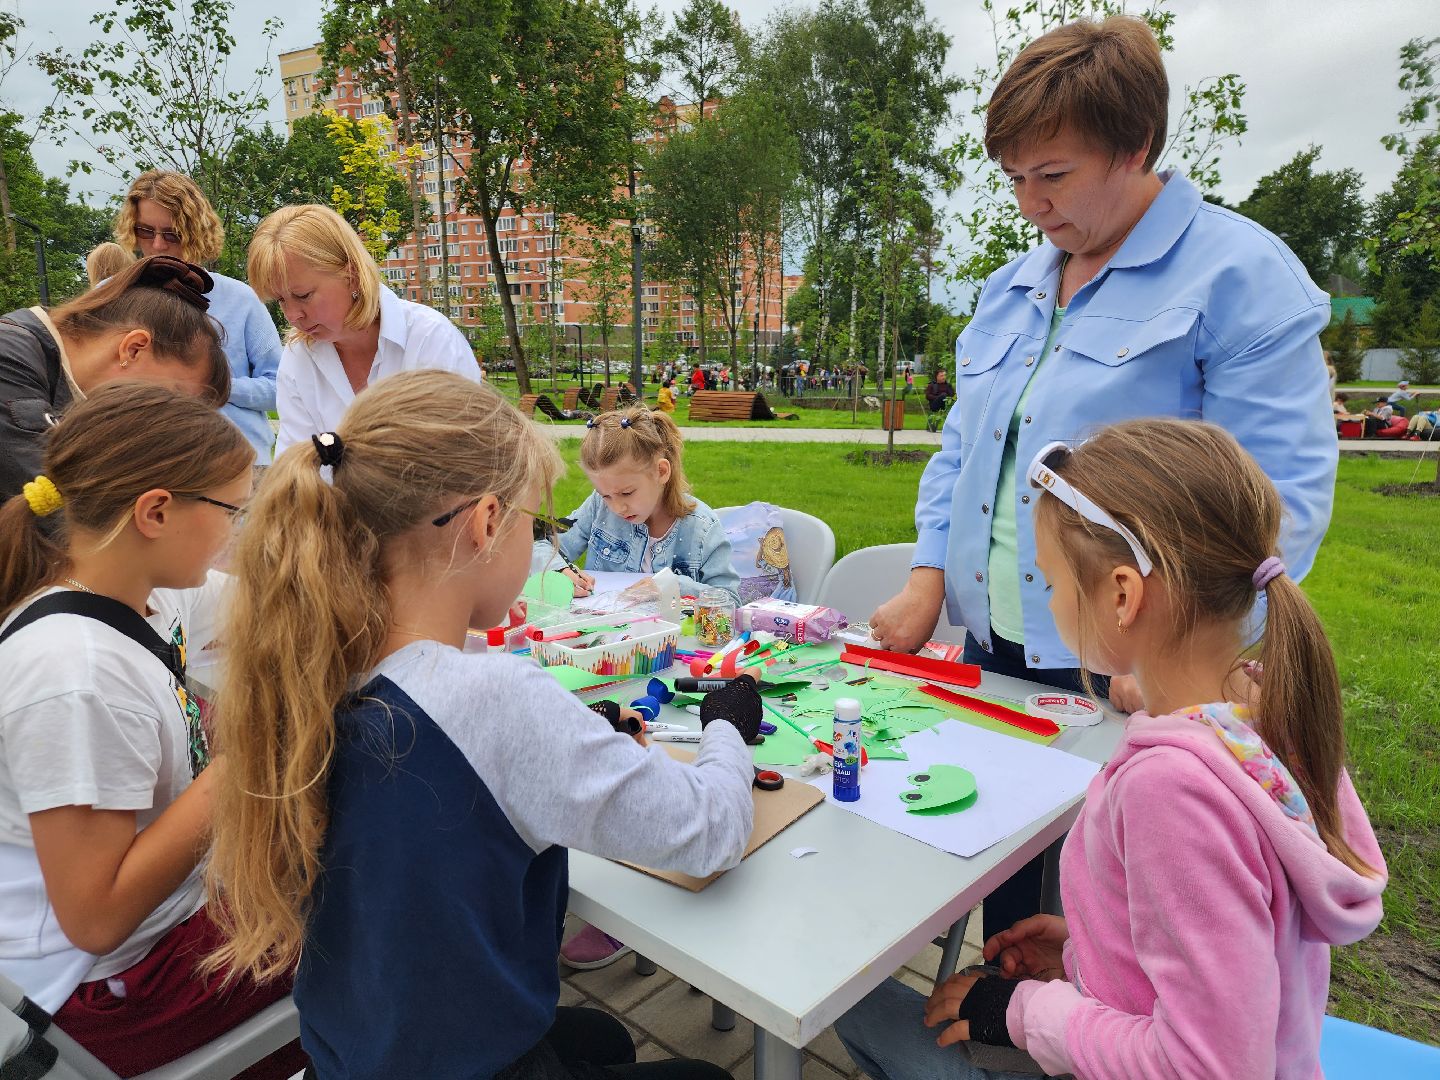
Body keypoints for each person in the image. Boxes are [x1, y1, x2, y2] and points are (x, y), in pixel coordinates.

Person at [866, 16, 1338, 945]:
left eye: (1054, 176)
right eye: (1013, 178)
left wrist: (1185, 659)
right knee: (991, 853)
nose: (1029, 204)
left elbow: (1279, 500)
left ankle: (1092, 1030)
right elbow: (966, 452)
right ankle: (1000, 1004)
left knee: (1123, 893)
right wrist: (930, 575)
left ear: (1136, 148)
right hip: (998, 644)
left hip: (1132, 656)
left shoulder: (1240, 277)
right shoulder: (1011, 288)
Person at [204, 370, 752, 1080]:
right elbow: (711, 831)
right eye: (536, 519)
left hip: (363, 1041)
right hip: (455, 1062)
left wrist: (574, 736)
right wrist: (725, 723)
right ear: (487, 521)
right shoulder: (492, 698)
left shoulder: (308, 662)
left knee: (602, 1040)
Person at [837, 419, 1385, 1080]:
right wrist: (1089, 952)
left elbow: (1207, 1066)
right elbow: (1239, 945)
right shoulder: (1270, 718)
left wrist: (1025, 1013)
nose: (1050, 600)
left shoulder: (1170, 791)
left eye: (1051, 584)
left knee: (851, 1005)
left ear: (1122, 595)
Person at [0, 383, 308, 1079]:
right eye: (232, 509)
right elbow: (97, 917)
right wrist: (242, 759)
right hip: (113, 987)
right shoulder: (73, 677)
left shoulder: (141, 590)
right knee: (377, 926)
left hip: (160, 932)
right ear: (157, 512)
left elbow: (278, 606)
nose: (235, 532)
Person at [247, 204, 482, 455]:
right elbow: (296, 466)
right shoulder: (299, 357)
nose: (293, 315)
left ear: (353, 275)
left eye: (303, 295)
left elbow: (463, 459)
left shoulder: (430, 339)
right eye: (281, 300)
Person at [0, 255, 230, 499]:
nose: (166, 420)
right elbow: (63, 511)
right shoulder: (8, 360)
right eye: (173, 396)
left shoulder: (61, 377)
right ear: (134, 348)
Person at [115, 170, 282, 460]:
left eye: (172, 234)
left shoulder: (239, 299)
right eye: (145, 231)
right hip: (143, 467)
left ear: (195, 232)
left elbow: (281, 388)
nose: (157, 245)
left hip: (235, 467)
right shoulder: (111, 296)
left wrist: (215, 385)